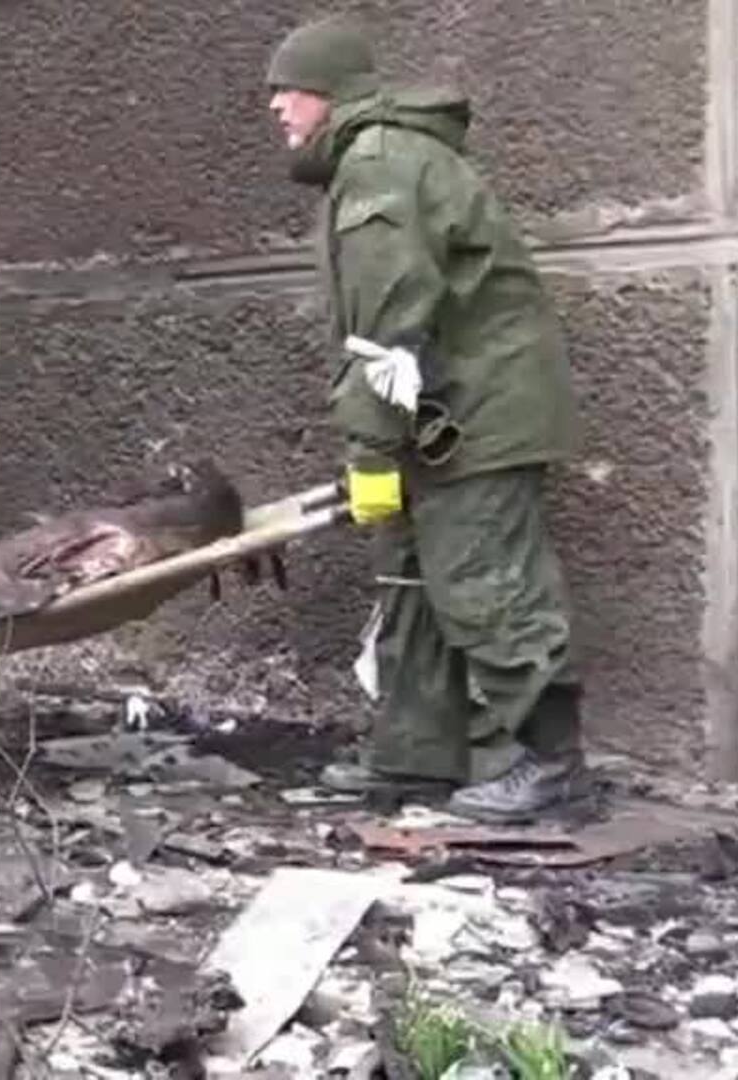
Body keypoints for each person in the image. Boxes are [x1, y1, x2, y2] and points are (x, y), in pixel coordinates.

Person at [263, 16, 585, 821]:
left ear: (331, 93)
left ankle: (552, 769)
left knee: (487, 585)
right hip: (436, 419)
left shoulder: (380, 166)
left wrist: (370, 449)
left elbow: (388, 322)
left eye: (289, 89)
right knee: (412, 581)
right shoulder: (374, 164)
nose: (275, 106)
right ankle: (417, 759)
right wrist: (379, 447)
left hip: (476, 420)